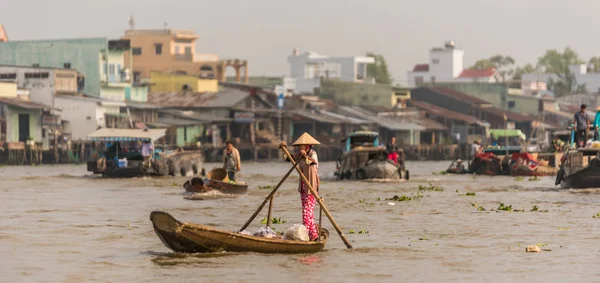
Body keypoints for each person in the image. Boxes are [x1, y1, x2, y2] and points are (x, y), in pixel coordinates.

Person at [280, 132, 321, 241]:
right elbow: (289, 158)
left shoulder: (313, 153)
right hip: (303, 187)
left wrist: (305, 156)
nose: (299, 148)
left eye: (301, 145)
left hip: (311, 187)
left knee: (307, 213)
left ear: (307, 145)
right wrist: (283, 149)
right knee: (307, 213)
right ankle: (312, 235)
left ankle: (313, 236)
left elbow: (311, 162)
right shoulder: (300, 154)